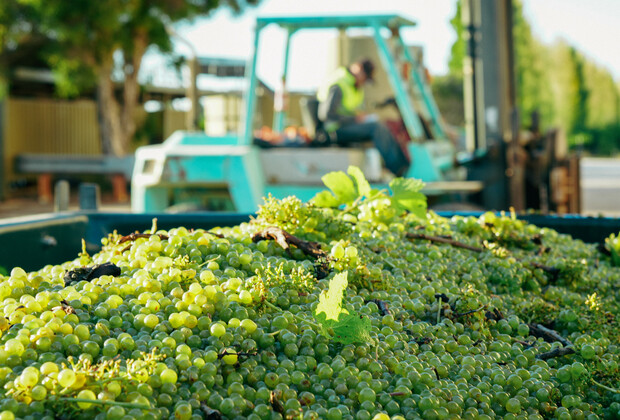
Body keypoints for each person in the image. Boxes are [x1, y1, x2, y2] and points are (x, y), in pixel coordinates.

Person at [316, 58, 410, 177]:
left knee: (383, 126)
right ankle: (400, 170)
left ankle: (404, 166)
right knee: (376, 128)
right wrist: (355, 119)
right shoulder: (339, 84)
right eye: (365, 79)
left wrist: (359, 116)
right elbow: (326, 115)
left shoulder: (354, 87)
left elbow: (349, 110)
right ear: (359, 69)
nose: (364, 83)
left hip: (345, 125)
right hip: (334, 129)